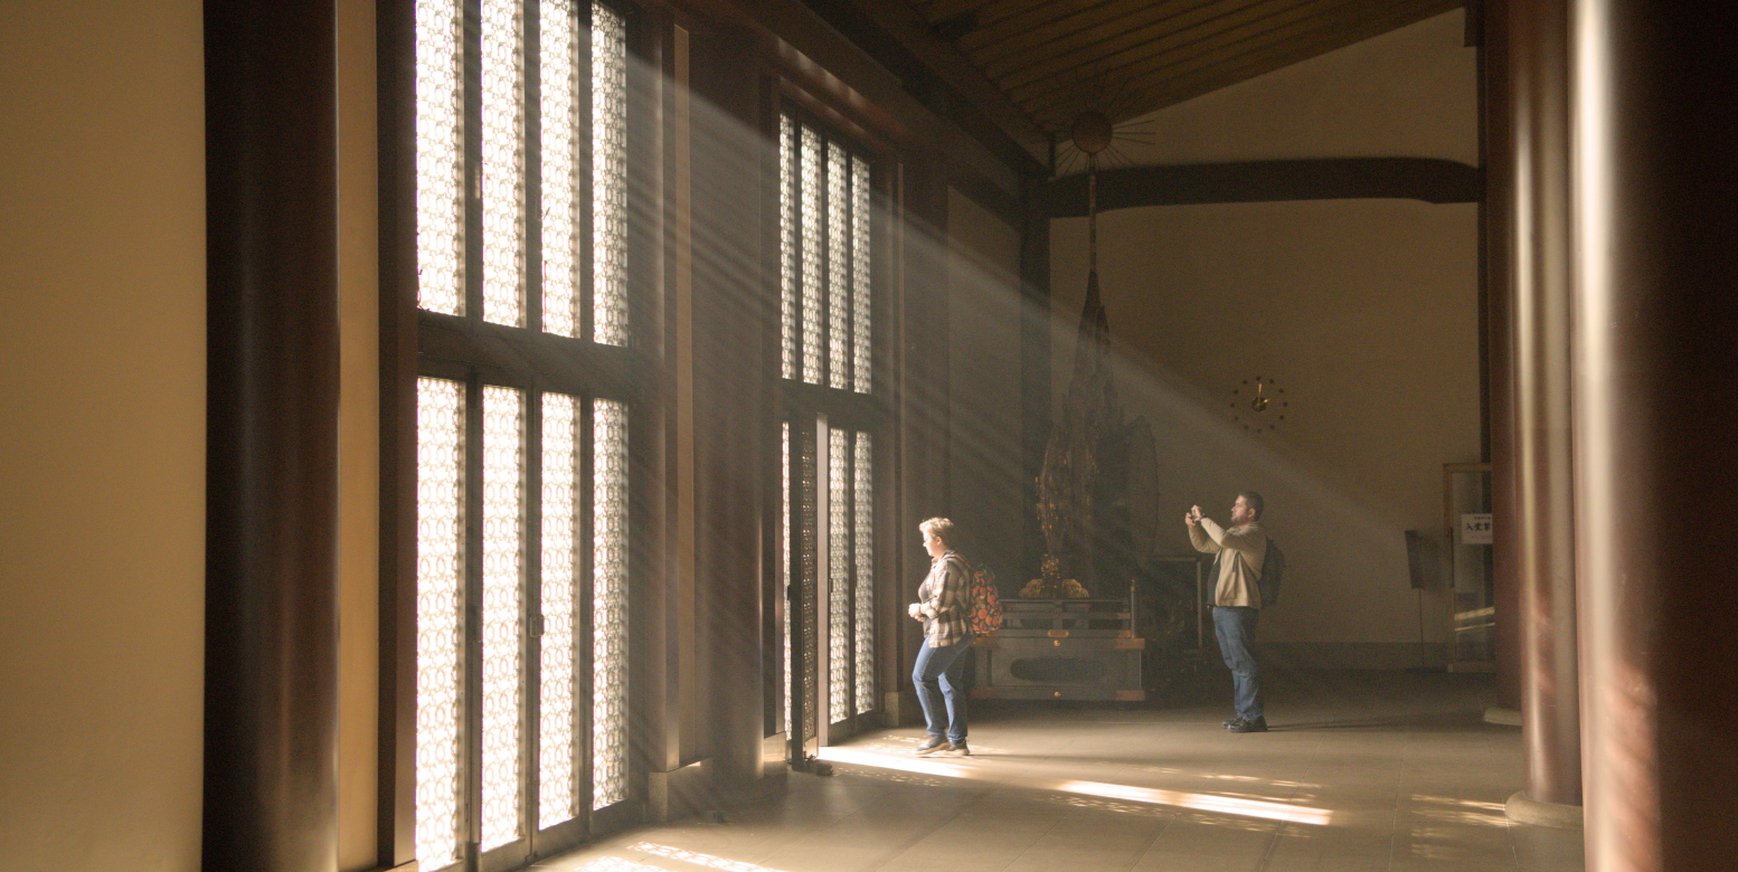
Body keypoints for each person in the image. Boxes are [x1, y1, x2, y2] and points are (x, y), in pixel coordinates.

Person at [1187, 492, 1270, 733]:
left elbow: (1221, 538)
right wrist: (1194, 527)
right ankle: (1243, 713)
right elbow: (1204, 545)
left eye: (1237, 505)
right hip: (1223, 606)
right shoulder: (1235, 536)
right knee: (1234, 662)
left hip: (1238, 607)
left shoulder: (1253, 534)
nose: (1232, 509)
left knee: (1243, 662)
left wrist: (1203, 518)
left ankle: (1254, 716)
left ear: (1251, 512)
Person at [908, 517, 973, 756]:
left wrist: (919, 609)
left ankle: (937, 735)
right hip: (954, 632)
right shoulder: (942, 562)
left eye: (926, 539)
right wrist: (926, 611)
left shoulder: (948, 565)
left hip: (947, 634)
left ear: (938, 539)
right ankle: (958, 742)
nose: (924, 544)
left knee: (921, 677)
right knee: (950, 685)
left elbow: (940, 604)